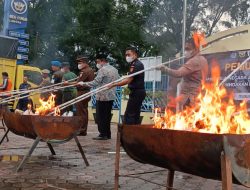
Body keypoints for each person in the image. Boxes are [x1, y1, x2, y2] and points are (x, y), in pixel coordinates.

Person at [157, 38, 208, 111]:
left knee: (187, 120)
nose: (185, 51)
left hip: (189, 98)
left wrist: (164, 69)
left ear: (195, 49)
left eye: (187, 49)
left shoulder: (194, 61)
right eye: (185, 49)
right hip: (197, 96)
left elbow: (178, 73)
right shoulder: (203, 59)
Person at [78, 53, 119, 140]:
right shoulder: (114, 69)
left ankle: (102, 134)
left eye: (97, 61)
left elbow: (95, 82)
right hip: (111, 96)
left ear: (102, 61)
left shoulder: (102, 70)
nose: (97, 64)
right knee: (107, 116)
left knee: (101, 116)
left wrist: (83, 83)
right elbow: (117, 80)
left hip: (102, 96)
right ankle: (107, 134)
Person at [109, 47, 146, 125]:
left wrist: (114, 84)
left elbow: (128, 80)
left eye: (129, 54)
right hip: (137, 92)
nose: (127, 57)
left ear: (134, 54)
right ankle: (135, 132)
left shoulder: (136, 65)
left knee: (130, 115)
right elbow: (127, 78)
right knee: (134, 114)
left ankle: (130, 133)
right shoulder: (135, 64)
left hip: (137, 92)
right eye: (126, 55)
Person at [75, 55, 95, 136]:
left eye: (80, 62)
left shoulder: (86, 71)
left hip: (83, 92)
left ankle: (82, 130)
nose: (79, 64)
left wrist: (68, 84)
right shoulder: (89, 70)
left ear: (85, 63)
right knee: (83, 111)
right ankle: (82, 129)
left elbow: (78, 83)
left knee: (81, 112)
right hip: (85, 92)